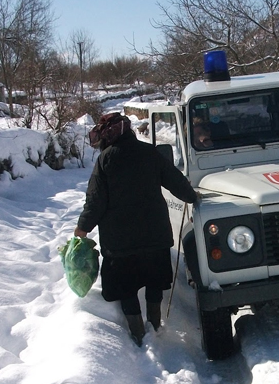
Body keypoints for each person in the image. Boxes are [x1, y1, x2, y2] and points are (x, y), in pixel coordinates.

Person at [74, 113, 197, 346]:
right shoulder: (149, 153)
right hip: (155, 236)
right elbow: (175, 180)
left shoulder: (105, 160)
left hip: (120, 242)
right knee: (153, 281)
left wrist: (83, 227)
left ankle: (139, 335)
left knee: (126, 288)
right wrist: (192, 197)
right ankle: (155, 327)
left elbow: (95, 201)